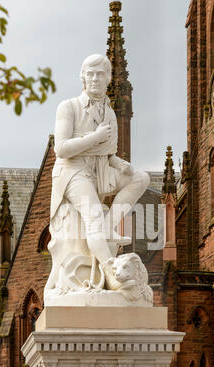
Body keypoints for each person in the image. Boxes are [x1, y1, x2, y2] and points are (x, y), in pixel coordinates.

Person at [50, 54, 150, 290]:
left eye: (100, 74)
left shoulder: (110, 114)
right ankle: (110, 271)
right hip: (73, 172)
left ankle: (108, 228)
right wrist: (94, 138)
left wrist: (120, 164)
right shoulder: (69, 107)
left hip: (100, 171)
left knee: (141, 178)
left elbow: (108, 154)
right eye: (90, 74)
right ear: (83, 78)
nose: (95, 79)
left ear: (108, 79)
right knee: (93, 215)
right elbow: (61, 149)